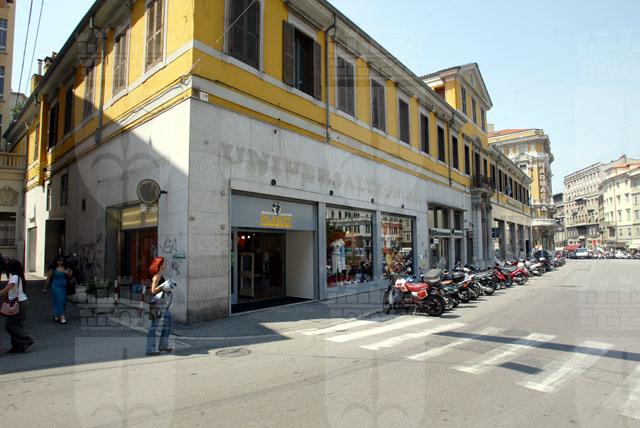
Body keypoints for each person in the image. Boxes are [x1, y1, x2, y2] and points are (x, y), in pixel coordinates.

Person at [0, 260, 34, 353]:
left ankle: (26, 339)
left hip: (18, 303)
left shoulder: (14, 277)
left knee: (9, 325)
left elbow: (7, 289)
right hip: (21, 302)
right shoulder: (19, 276)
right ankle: (17, 346)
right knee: (17, 324)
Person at [146, 256, 173, 356]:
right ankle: (150, 349)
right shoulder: (156, 276)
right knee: (154, 326)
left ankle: (163, 345)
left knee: (168, 321)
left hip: (161, 303)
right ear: (160, 265)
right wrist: (163, 287)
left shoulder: (160, 275)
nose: (165, 265)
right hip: (157, 303)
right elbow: (153, 290)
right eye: (164, 263)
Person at [43, 255, 72, 324]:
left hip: (64, 286)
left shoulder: (65, 268)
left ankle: (56, 314)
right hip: (55, 286)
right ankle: (62, 316)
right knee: (59, 300)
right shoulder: (53, 268)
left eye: (62, 260)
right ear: (56, 261)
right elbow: (48, 279)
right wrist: (45, 288)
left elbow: (70, 276)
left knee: (63, 301)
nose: (60, 262)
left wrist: (68, 273)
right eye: (59, 260)